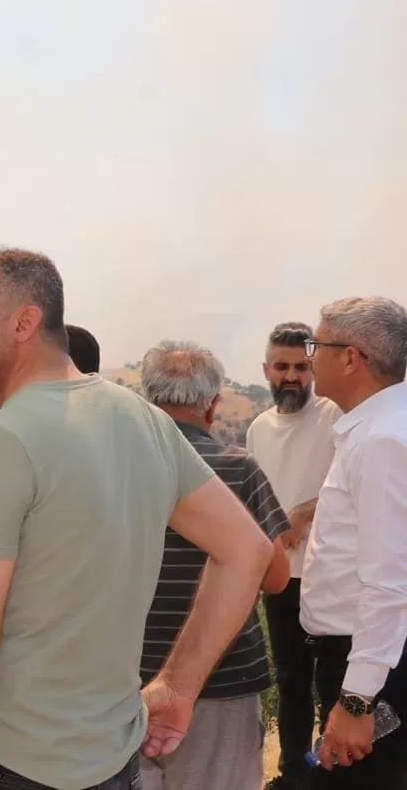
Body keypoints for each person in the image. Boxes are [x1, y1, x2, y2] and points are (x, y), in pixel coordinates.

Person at [0, 245, 274, 790]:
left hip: (12, 764)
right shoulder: (140, 418)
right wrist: (178, 686)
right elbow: (249, 551)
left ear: (24, 322)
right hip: (111, 760)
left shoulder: (1, 442)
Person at [138, 339, 292, 790]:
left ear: (148, 398)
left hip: (127, 676)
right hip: (224, 678)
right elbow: (277, 577)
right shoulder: (236, 468)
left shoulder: (119, 465)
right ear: (212, 405)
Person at [299, 296, 407, 788]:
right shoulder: (379, 429)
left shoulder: (382, 439)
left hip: (369, 662)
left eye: (315, 345)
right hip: (370, 654)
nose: (308, 358)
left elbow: (388, 578)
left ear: (350, 358)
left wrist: (358, 698)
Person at [246, 322, 343, 790]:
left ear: (313, 368)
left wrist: (304, 512)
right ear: (266, 370)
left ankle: (333, 773)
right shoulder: (257, 429)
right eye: (281, 367)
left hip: (332, 577)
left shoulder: (334, 417)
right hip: (281, 578)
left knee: (333, 684)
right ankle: (293, 774)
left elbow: (355, 490)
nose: (291, 377)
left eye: (301, 368)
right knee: (289, 682)